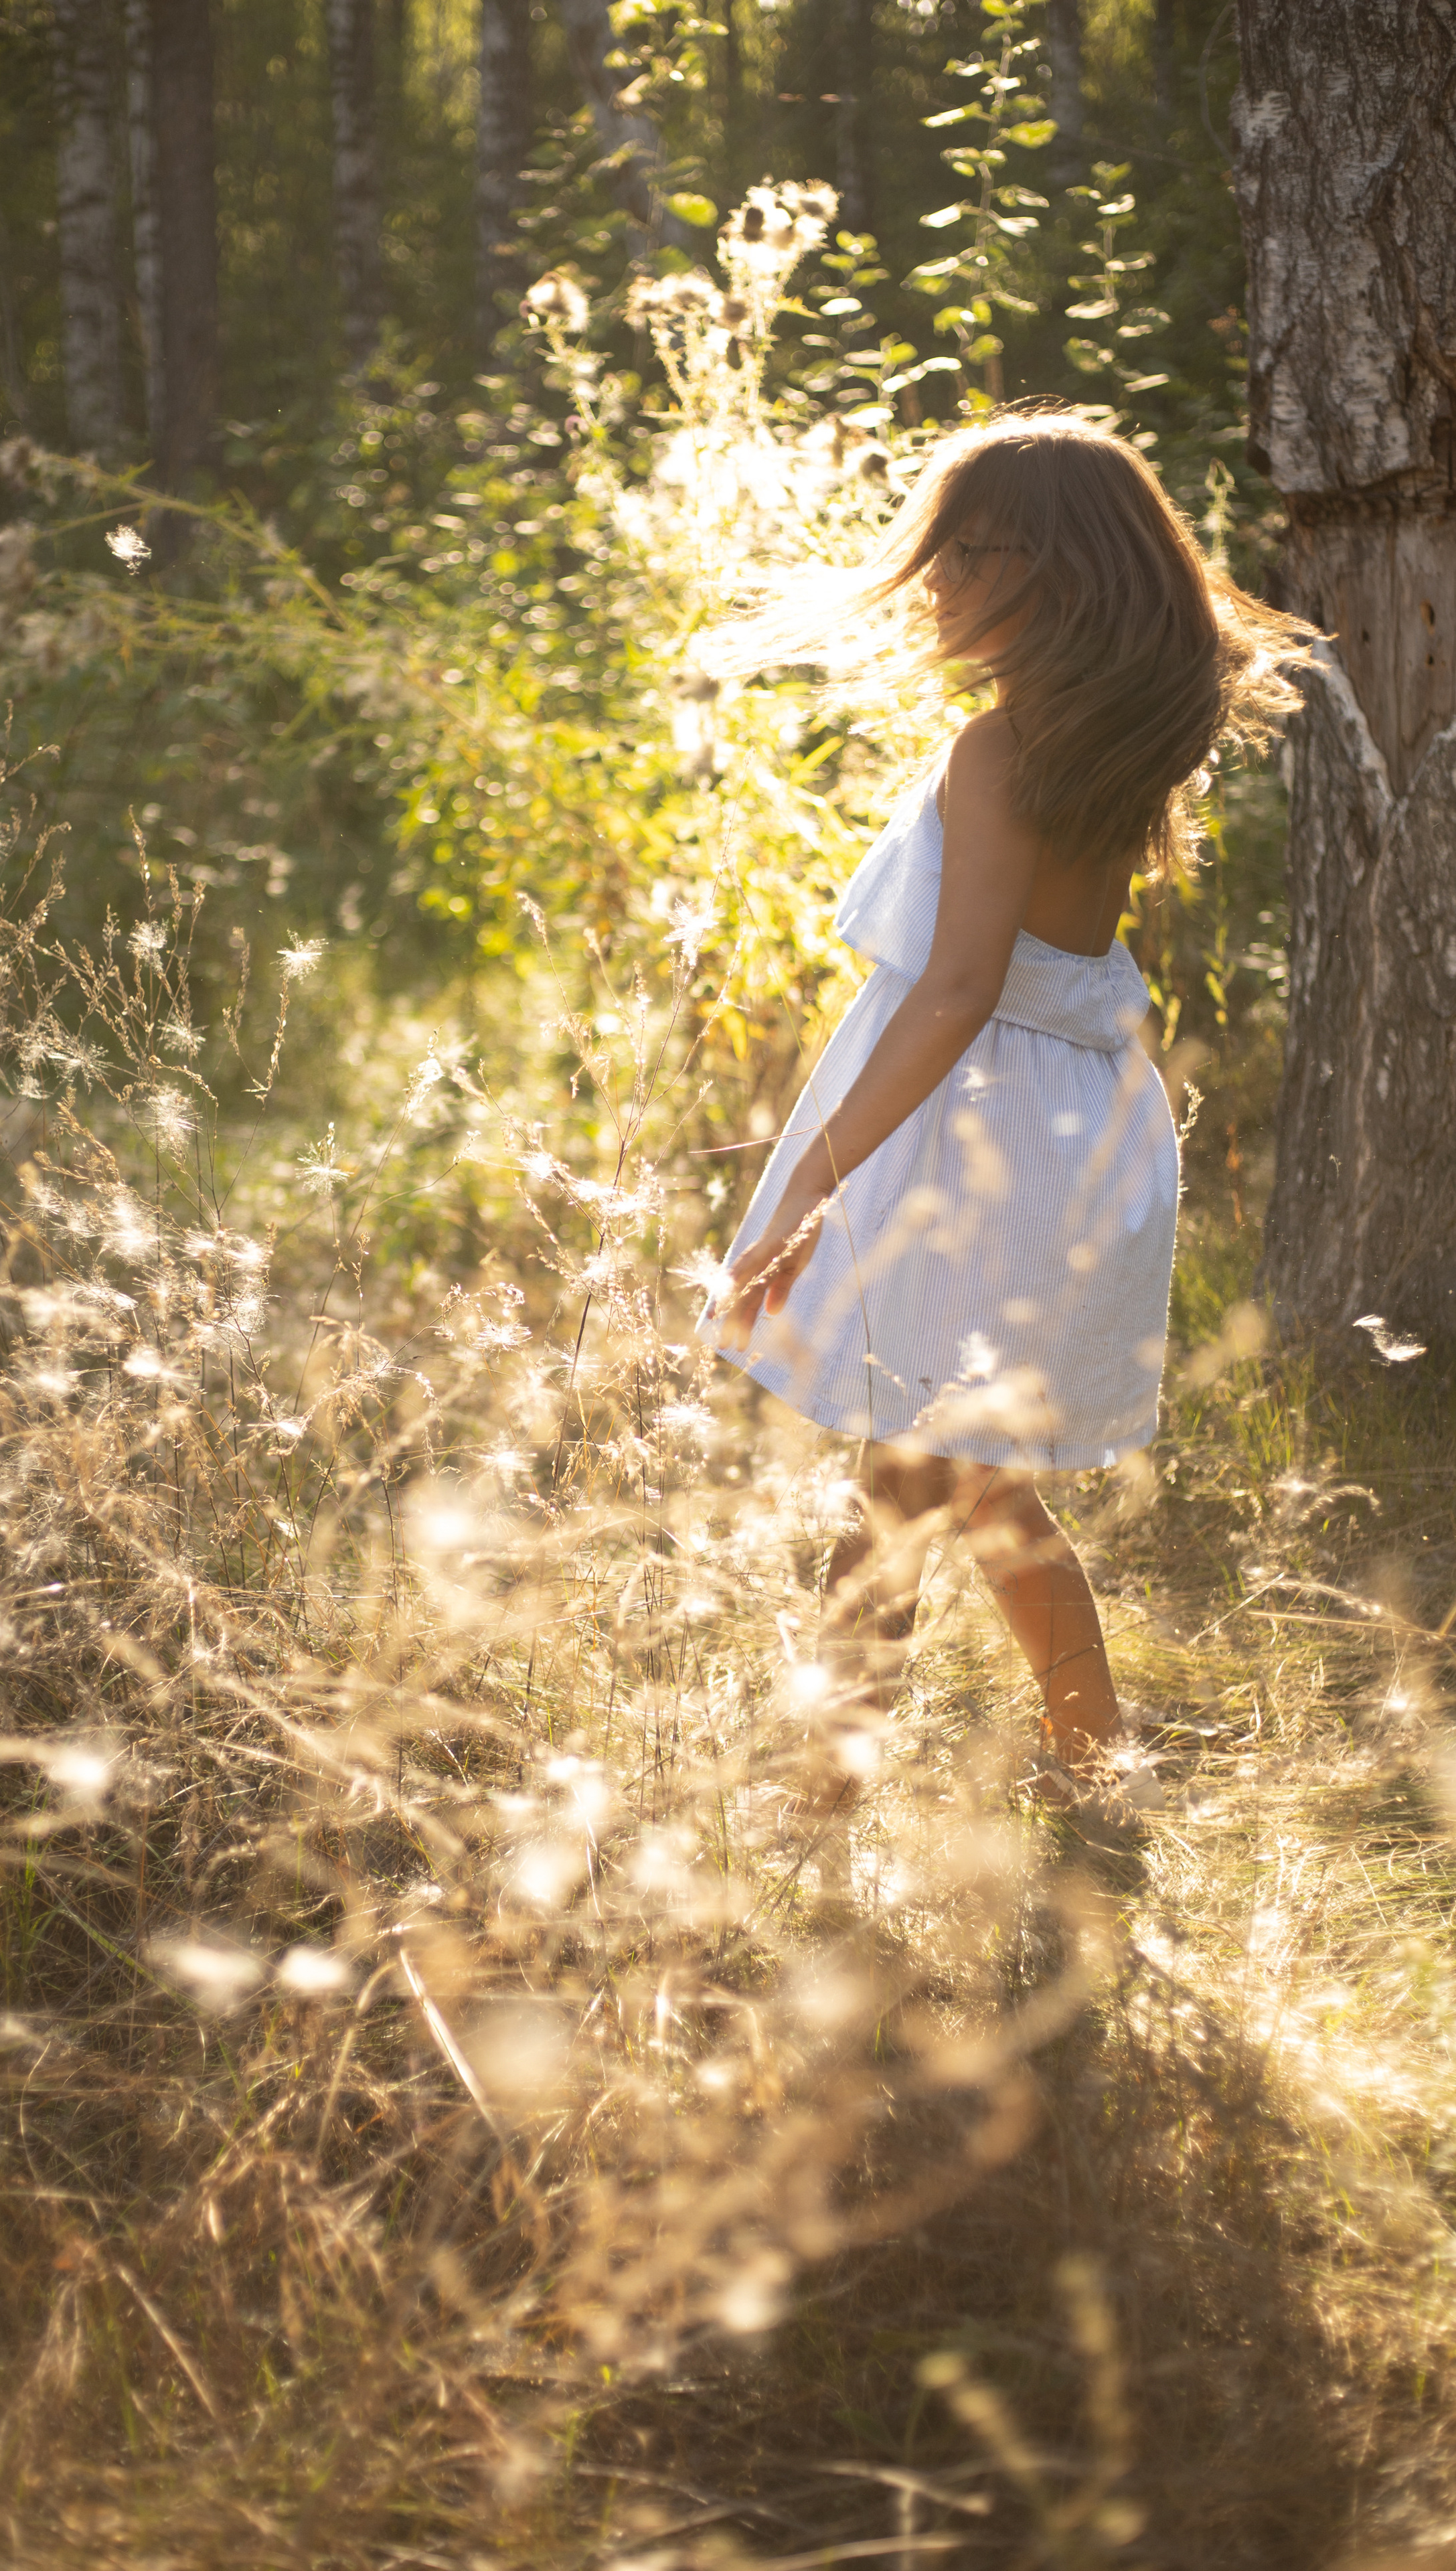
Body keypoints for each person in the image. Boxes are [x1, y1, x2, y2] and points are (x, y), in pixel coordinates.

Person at [702, 408, 1306, 1829]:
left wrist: (811, 1186)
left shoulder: (1003, 752)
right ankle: (1090, 1756)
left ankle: (825, 1794)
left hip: (980, 1128)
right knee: (966, 1481)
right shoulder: (1099, 741)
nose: (936, 582)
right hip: (1060, 1119)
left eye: (968, 552)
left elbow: (961, 985)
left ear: (1058, 570)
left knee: (911, 1477)